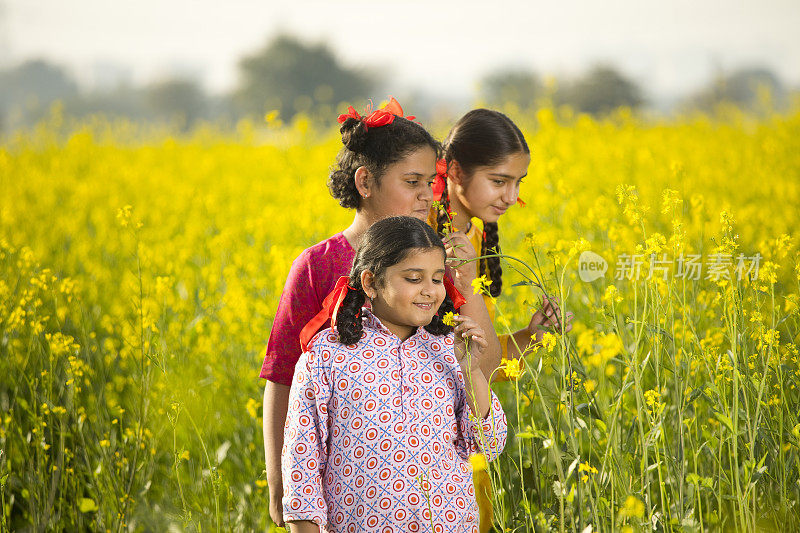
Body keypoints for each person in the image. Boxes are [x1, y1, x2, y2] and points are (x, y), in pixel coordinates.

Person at [260, 99, 493, 526]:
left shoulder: (433, 265)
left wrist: (465, 282)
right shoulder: (316, 264)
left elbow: (475, 366)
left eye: (431, 181)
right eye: (413, 181)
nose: (428, 194)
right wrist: (281, 484)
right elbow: (284, 376)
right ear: (365, 181)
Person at [281, 216, 507, 532]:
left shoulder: (449, 350)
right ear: (371, 282)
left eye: (437, 278)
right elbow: (302, 465)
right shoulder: (326, 355)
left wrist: (472, 372)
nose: (430, 291)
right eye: (414, 279)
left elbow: (489, 446)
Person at [432, 109, 575, 379]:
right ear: (455, 171)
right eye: (499, 181)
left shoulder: (476, 239)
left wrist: (531, 337)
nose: (511, 197)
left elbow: (480, 365)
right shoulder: (416, 235)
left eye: (518, 183)